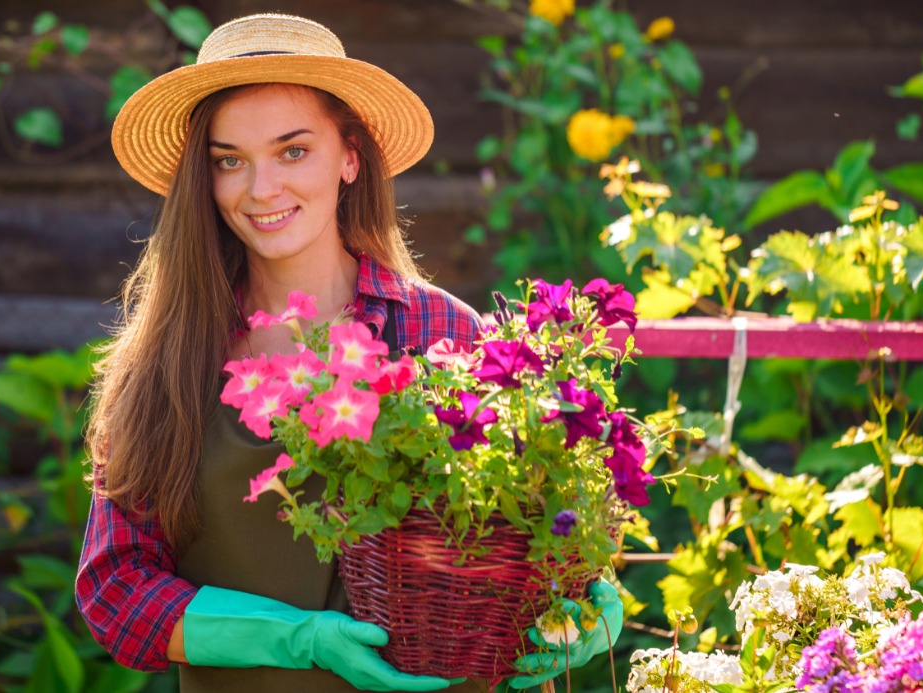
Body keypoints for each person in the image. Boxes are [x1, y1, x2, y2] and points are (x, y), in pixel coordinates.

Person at [74, 13, 620, 692]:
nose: (261, 188)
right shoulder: (166, 357)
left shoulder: (442, 329)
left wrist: (582, 603)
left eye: (293, 150)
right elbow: (115, 591)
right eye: (229, 160)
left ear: (350, 156)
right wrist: (301, 639)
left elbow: (524, 539)